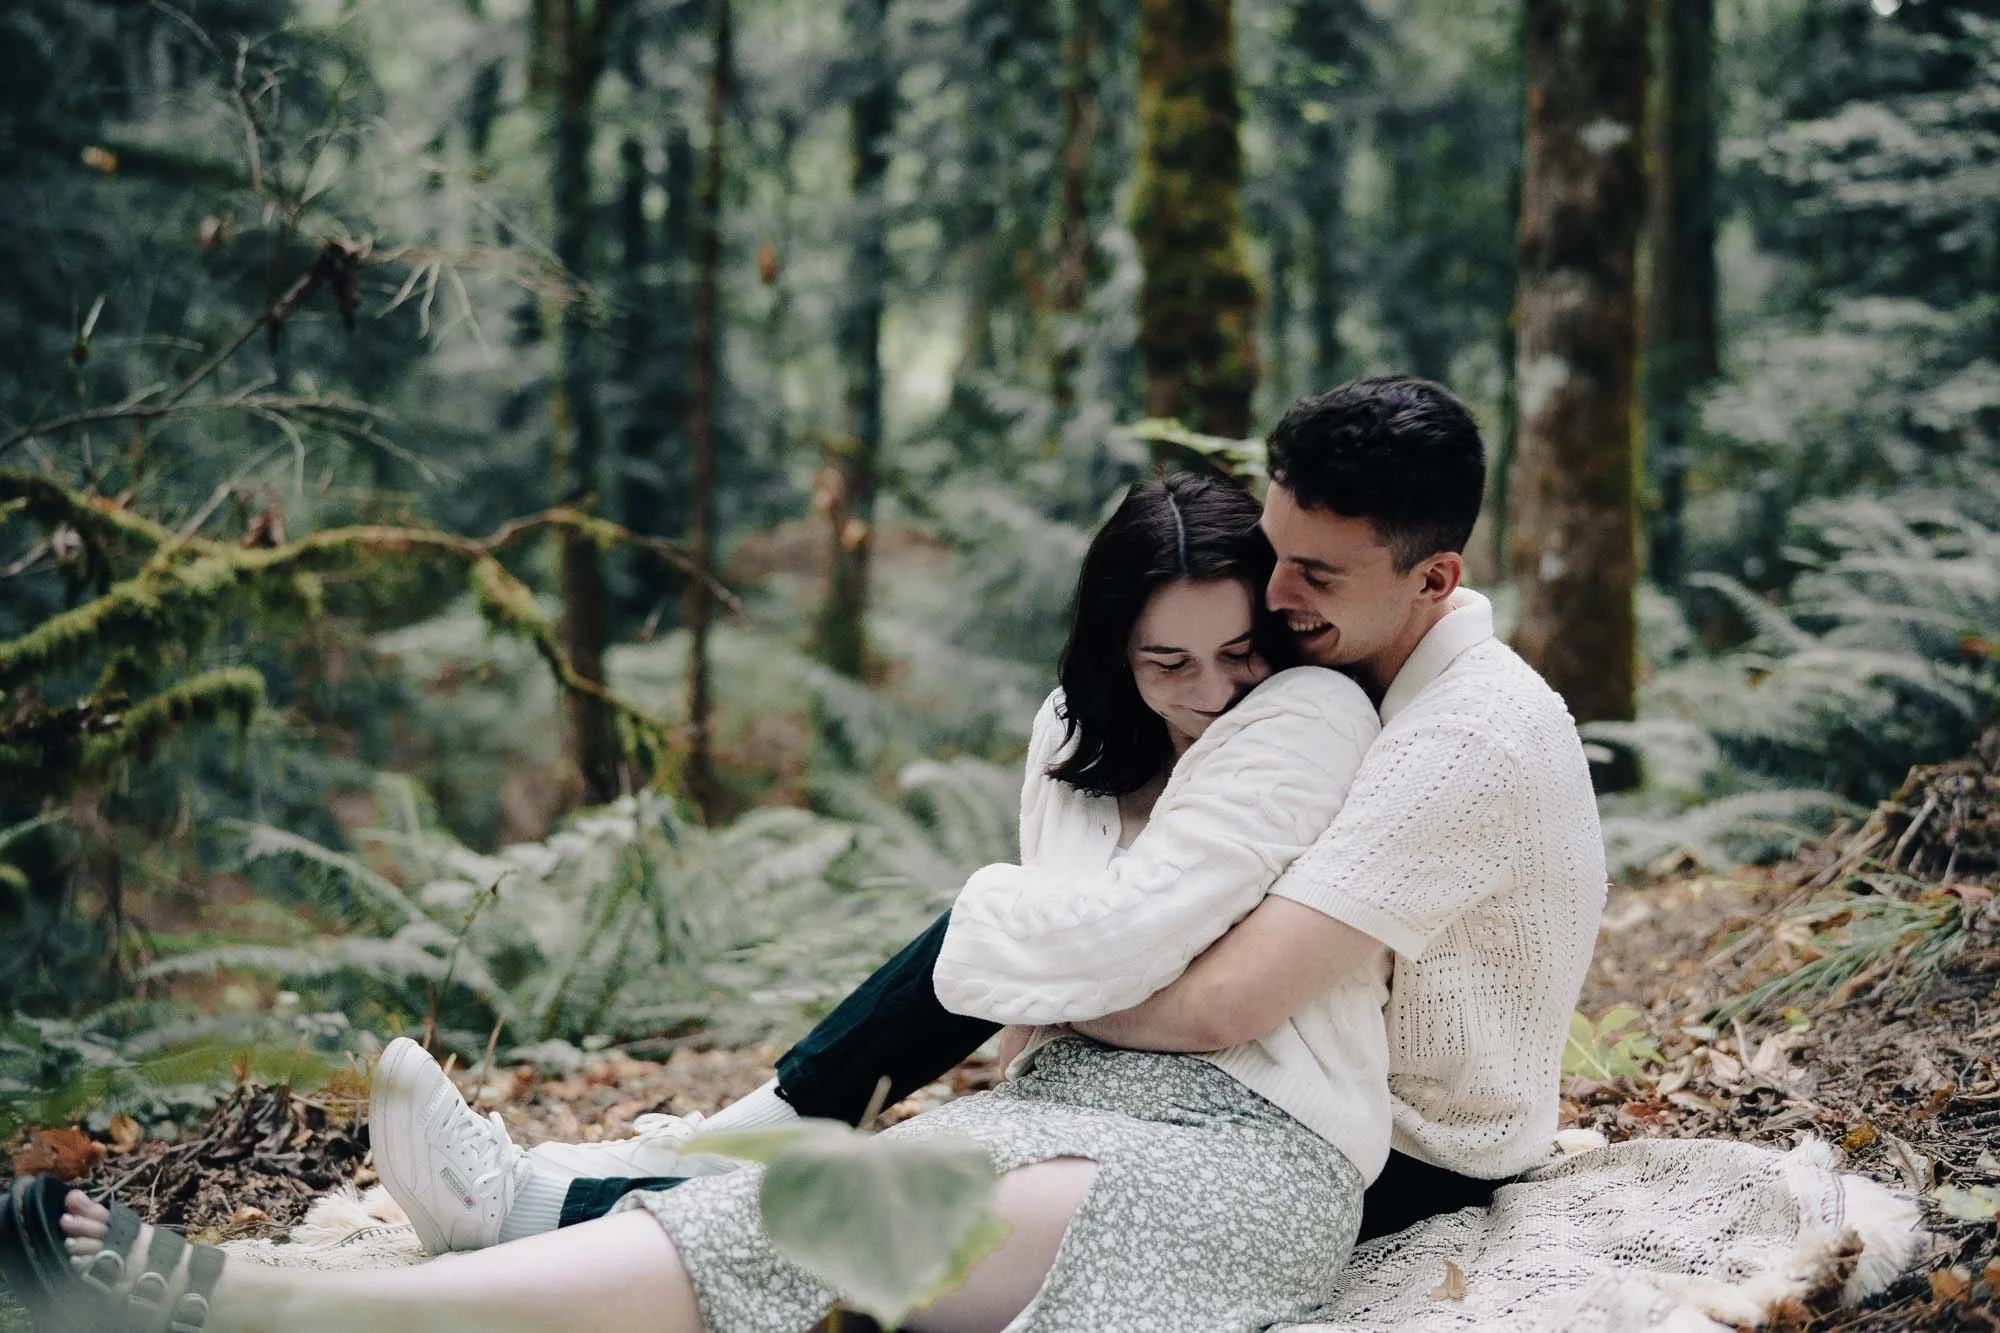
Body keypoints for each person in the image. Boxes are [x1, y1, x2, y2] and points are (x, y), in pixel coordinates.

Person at [13, 466, 1399, 1333]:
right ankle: (514, 1213)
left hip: (1248, 1156)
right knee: (814, 1200)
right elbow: (1068, 983)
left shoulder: (1306, 719)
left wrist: (1003, 940)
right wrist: (1047, 985)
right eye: (1168, 663)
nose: (1212, 694)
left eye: (1238, 654)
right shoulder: (1074, 745)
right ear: (1111, 653)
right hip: (1069, 1105)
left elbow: (1110, 950)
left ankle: (266, 1306)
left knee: (828, 1220)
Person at [377, 375, 1606, 1247]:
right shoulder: (1347, 666)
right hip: (1285, 1086)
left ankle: (575, 1202)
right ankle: (639, 1172)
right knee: (1007, 990)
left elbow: (1223, 1004)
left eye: (1314, 573)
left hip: (1404, 1154)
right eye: (1275, 552)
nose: (1275, 598)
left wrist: (1027, 980)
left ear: (1434, 576)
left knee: (949, 1109)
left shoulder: (1461, 736)